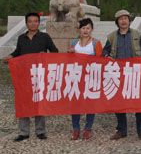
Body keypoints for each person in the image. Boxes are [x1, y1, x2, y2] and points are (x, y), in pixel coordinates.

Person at [3, 12, 58, 142]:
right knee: (23, 102)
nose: (33, 23)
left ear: (39, 23)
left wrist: (44, 54)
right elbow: (17, 52)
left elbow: (55, 52)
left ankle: (40, 131)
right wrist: (10, 57)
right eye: (30, 21)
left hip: (39, 75)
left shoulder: (45, 37)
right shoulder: (21, 38)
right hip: (23, 75)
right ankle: (24, 132)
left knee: (39, 102)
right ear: (26, 23)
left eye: (35, 21)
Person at [103, 9, 141, 141]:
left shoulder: (136, 34)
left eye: (125, 18)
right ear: (117, 22)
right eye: (120, 19)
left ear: (129, 20)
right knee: (119, 103)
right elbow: (104, 52)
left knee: (139, 103)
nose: (123, 21)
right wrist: (107, 57)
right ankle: (121, 130)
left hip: (134, 74)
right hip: (118, 74)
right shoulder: (112, 37)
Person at [67, 18, 103, 140]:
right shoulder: (74, 42)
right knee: (75, 103)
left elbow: (100, 60)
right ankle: (76, 128)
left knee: (90, 103)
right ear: (79, 30)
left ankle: (88, 128)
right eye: (83, 28)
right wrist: (70, 53)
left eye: (88, 28)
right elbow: (68, 60)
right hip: (76, 77)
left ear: (91, 29)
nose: (85, 30)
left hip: (91, 77)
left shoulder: (96, 43)